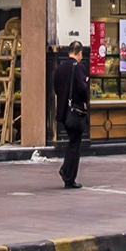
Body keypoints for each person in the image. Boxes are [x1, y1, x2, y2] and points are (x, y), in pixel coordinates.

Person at [52, 40, 90, 189]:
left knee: (72, 142)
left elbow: (56, 88)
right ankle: (68, 176)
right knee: (75, 145)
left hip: (63, 111)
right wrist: (85, 100)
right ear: (79, 53)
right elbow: (82, 88)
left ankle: (66, 171)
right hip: (75, 112)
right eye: (81, 54)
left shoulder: (59, 68)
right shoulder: (78, 67)